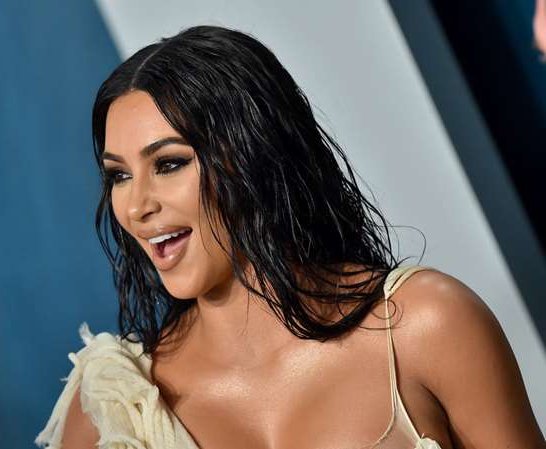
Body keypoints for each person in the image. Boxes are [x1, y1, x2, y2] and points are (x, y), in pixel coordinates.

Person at [35, 26, 545, 449]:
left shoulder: (424, 326)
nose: (136, 206)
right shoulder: (111, 408)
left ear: (255, 156)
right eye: (119, 176)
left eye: (169, 164)